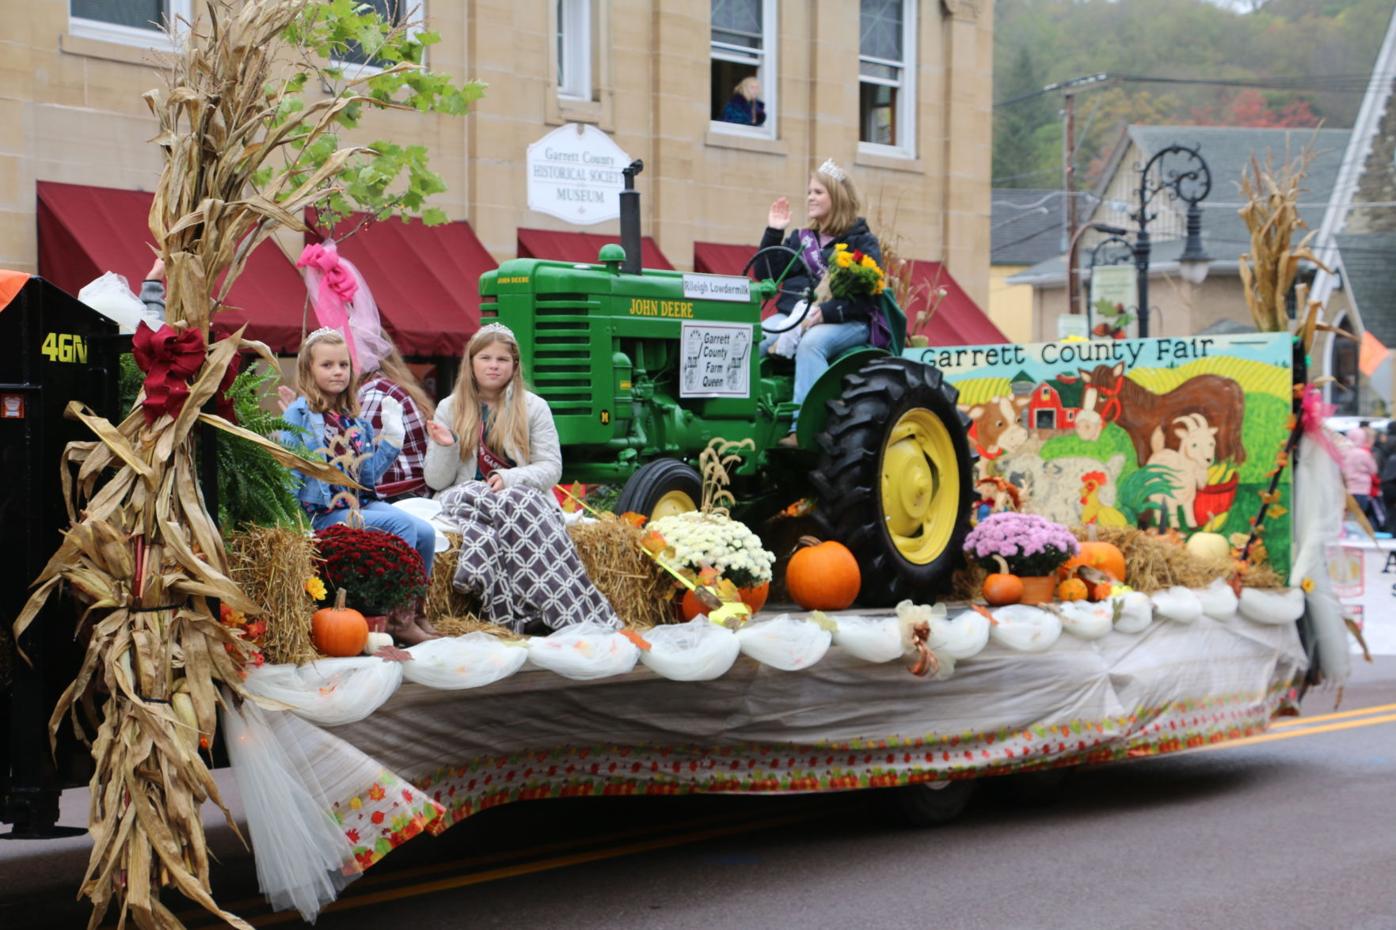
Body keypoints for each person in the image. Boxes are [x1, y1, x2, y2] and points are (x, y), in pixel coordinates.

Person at [424, 323, 618, 633]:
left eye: (502, 359)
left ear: (515, 365)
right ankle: (522, 610)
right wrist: (447, 446)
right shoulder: (449, 408)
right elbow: (436, 480)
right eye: (485, 358)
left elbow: (551, 467)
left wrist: (510, 479)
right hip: (465, 499)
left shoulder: (534, 408)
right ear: (471, 362)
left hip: (517, 499)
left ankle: (557, 607)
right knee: (510, 503)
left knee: (516, 499)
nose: (493, 366)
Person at [282, 327, 443, 642]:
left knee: (425, 532)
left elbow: (367, 476)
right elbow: (290, 467)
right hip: (324, 512)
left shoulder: (352, 419)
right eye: (327, 365)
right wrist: (291, 523)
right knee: (400, 525)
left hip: (359, 504)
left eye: (343, 365)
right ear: (308, 370)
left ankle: (416, 611)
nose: (338, 372)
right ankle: (397, 618)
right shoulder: (299, 414)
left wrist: (391, 441)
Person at [755, 158, 881, 447]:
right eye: (810, 192)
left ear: (836, 197)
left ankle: (804, 429)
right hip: (793, 316)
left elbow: (868, 299)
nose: (810, 197)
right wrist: (774, 231)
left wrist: (825, 312)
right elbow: (766, 275)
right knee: (752, 339)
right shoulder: (801, 237)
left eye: (818, 192)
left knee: (813, 343)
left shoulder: (862, 242)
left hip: (847, 321)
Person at [1341, 427, 1379, 524]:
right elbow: (1373, 469)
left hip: (1347, 489)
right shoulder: (1364, 454)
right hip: (1362, 489)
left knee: (1347, 514)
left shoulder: (1344, 452)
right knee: (1360, 514)